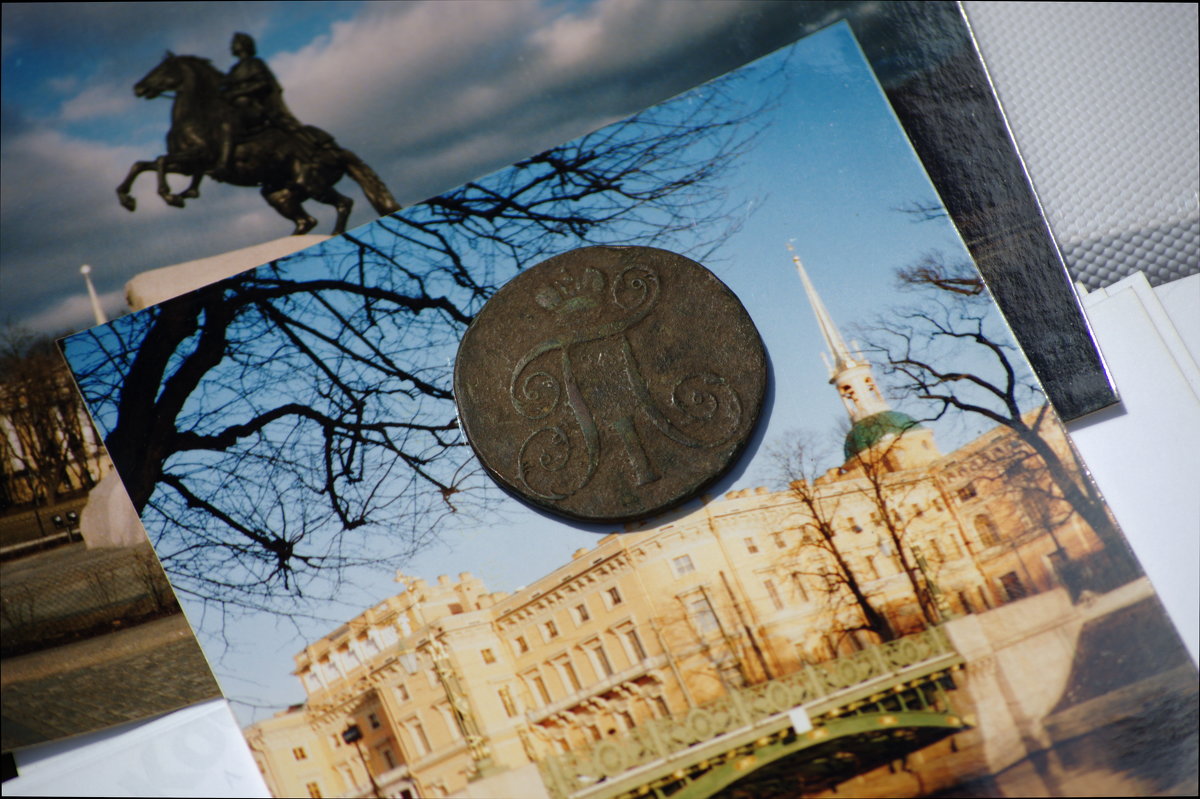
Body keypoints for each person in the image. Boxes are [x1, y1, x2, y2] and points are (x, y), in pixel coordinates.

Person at [215, 32, 331, 177]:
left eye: (235, 42)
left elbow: (263, 83)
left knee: (227, 126)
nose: (231, 46)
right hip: (239, 108)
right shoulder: (234, 70)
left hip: (254, 108)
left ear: (243, 45)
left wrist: (239, 93)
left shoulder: (255, 63)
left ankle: (224, 163)